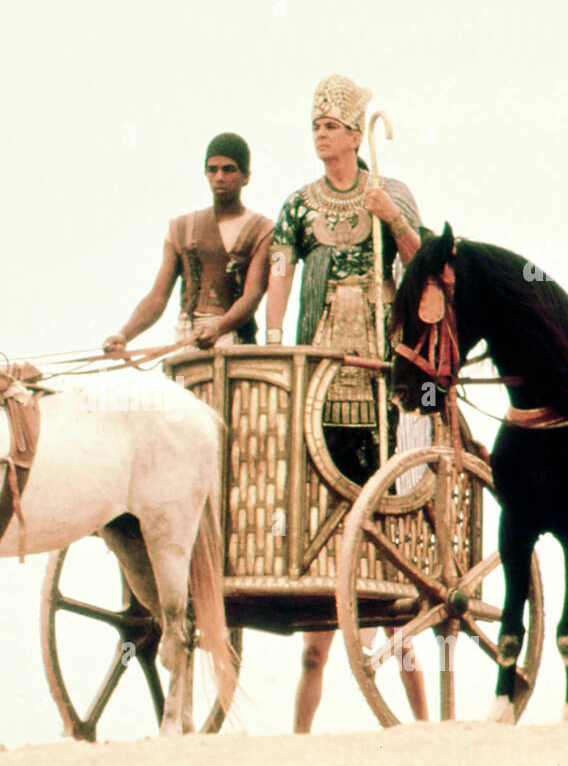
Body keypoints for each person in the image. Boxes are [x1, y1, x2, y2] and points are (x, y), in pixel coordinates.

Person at [266, 75, 428, 729]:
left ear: (357, 135)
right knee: (322, 485)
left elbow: (423, 261)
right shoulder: (300, 205)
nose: (320, 133)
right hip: (319, 369)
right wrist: (274, 338)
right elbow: (281, 268)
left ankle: (421, 722)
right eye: (315, 124)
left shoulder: (390, 192)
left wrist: (391, 219)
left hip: (377, 369)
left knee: (378, 494)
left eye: (330, 125)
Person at [104, 133, 274, 353]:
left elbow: (253, 295)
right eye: (212, 169)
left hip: (234, 341)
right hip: (187, 341)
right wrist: (124, 335)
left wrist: (219, 326)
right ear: (205, 173)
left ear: (246, 176)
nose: (219, 177)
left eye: (229, 169)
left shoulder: (262, 230)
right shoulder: (181, 229)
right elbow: (158, 295)